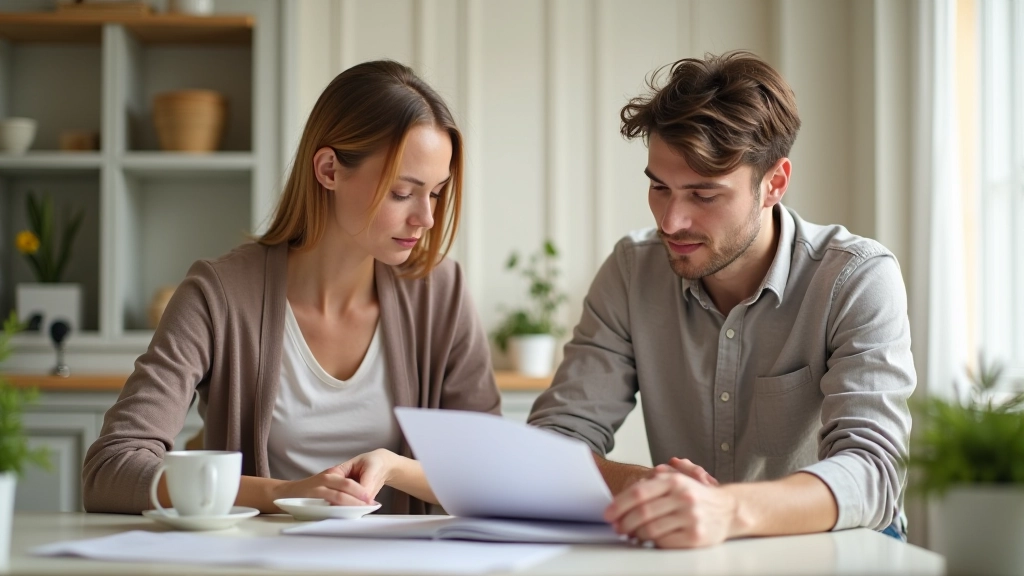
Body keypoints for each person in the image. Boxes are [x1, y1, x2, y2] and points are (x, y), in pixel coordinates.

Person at [528, 51, 915, 548]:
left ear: (773, 183)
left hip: (841, 550)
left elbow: (874, 472)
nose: (671, 221)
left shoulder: (857, 277)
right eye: (659, 187)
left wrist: (726, 509)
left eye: (703, 196)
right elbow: (550, 445)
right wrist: (643, 485)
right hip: (695, 554)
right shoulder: (631, 270)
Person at [83, 60, 500, 515]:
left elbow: (495, 476)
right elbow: (111, 469)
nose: (427, 218)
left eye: (436, 192)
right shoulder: (218, 294)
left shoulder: (441, 293)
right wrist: (279, 493)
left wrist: (396, 468)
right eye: (403, 192)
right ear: (328, 169)